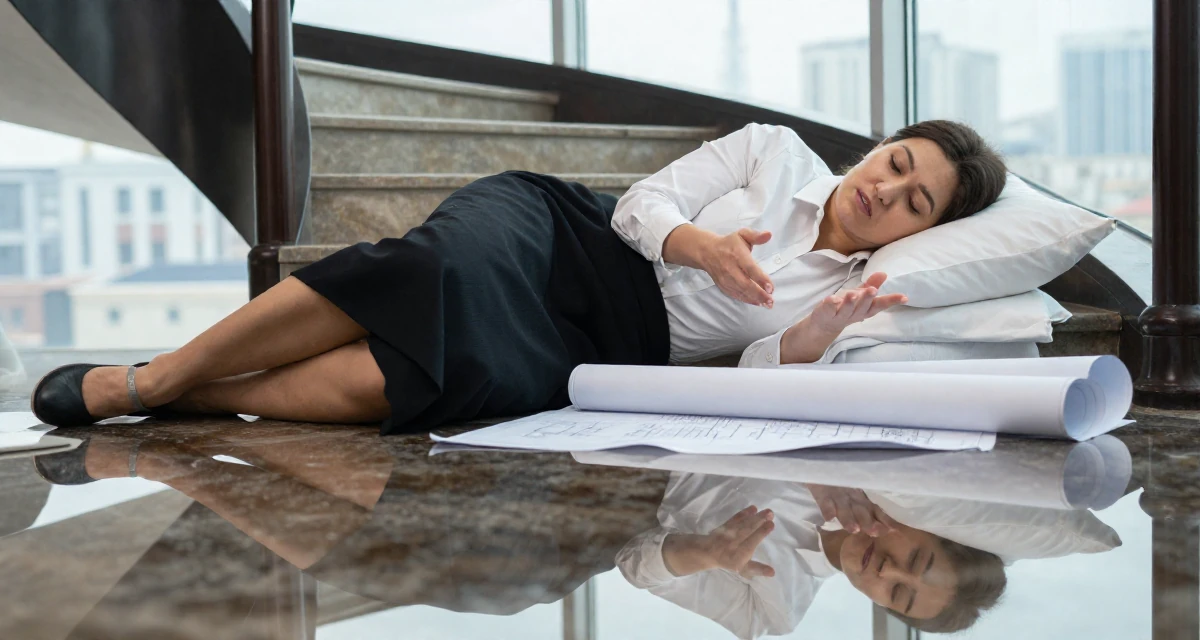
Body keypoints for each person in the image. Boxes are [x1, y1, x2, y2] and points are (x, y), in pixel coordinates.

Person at [32, 120, 1006, 432]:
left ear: (920, 230)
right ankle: (153, 381)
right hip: (570, 232)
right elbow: (641, 202)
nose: (887, 190)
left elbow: (751, 382)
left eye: (916, 201)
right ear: (879, 147)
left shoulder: (858, 296)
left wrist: (810, 339)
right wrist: (697, 247)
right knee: (437, 264)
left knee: (441, 378)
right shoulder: (777, 151)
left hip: (618, 341)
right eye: (896, 162)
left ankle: (220, 397)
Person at [616, 475, 1007, 638]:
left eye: (898, 594)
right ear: (927, 527)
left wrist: (704, 553)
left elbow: (634, 567)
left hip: (609, 497)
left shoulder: (777, 611)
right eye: (918, 560)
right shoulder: (860, 469)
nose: (890, 570)